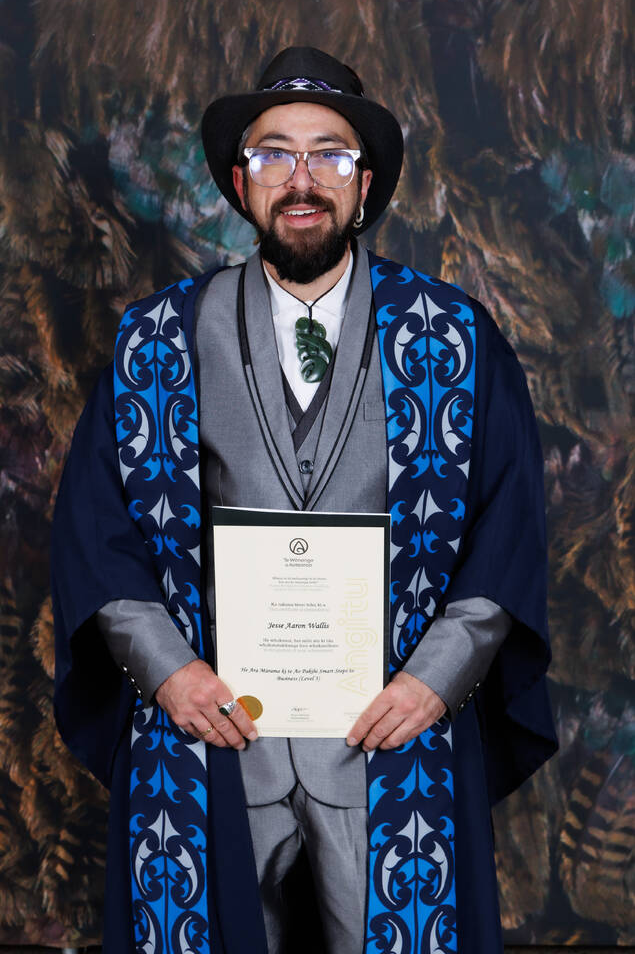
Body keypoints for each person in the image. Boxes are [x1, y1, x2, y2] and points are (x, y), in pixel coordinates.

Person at [52, 47, 557, 954]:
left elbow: (505, 529)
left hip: (385, 737)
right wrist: (169, 671)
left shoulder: (451, 338)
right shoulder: (155, 342)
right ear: (237, 183)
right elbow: (99, 532)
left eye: (328, 154)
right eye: (273, 153)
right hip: (214, 737)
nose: (301, 178)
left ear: (364, 186)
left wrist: (431, 682)